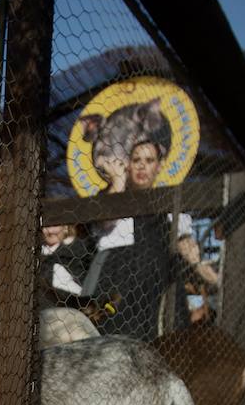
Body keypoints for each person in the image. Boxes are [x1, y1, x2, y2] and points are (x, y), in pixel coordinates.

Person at [82, 139, 217, 339]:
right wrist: (118, 182)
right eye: (136, 160)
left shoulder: (171, 206)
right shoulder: (110, 196)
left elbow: (188, 249)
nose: (142, 165)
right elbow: (104, 219)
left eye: (149, 160)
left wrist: (207, 273)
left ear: (159, 166)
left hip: (160, 289)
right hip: (119, 285)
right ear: (128, 165)